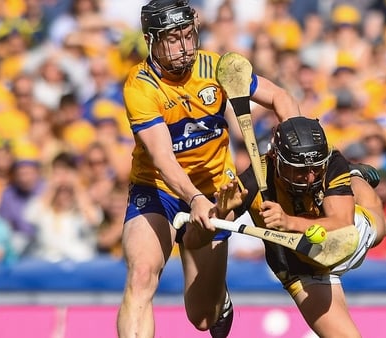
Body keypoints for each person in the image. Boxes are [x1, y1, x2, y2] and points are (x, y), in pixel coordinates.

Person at [117, 1, 301, 337]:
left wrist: (297, 135)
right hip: (159, 189)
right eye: (173, 39)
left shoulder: (217, 68)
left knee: (203, 318)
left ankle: (219, 299)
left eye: (188, 35)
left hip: (220, 192)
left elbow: (281, 98)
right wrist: (194, 197)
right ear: (150, 40)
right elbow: (163, 158)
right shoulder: (140, 86)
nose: (184, 46)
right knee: (142, 273)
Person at [214, 117, 386, 337]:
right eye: (299, 170)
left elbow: (342, 225)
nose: (309, 178)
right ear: (276, 159)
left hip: (344, 241)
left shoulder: (330, 160)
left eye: (316, 168)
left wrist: (288, 222)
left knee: (381, 226)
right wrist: (220, 212)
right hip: (300, 268)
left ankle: (354, 178)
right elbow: (209, 230)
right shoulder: (253, 180)